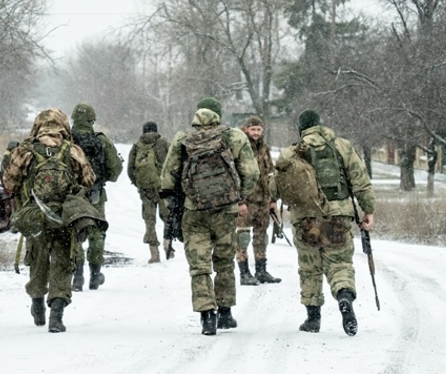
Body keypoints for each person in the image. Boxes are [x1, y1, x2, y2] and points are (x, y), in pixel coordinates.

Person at [270, 109, 375, 336]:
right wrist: (368, 210)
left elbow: (274, 187)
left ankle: (313, 319)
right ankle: (344, 295)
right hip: (339, 215)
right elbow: (360, 180)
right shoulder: (342, 146)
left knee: (309, 268)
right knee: (339, 263)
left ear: (301, 129)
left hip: (305, 218)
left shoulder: (292, 152)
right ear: (320, 124)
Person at [160, 97, 258, 336]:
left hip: (194, 211)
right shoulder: (234, 136)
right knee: (224, 261)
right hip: (226, 210)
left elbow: (167, 177)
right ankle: (225, 313)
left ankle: (207, 315)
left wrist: (172, 207)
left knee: (199, 265)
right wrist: (237, 196)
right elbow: (252, 173)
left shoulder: (183, 138)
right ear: (219, 114)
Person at [3, 108, 106, 333]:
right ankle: (56, 315)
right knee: (62, 263)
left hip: (34, 216)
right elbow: (89, 180)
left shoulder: (25, 150)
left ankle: (37, 302)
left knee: (38, 261)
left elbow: (10, 183)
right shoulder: (72, 150)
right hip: (64, 217)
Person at [70, 103, 123, 291]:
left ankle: (77, 276)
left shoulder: (65, 140)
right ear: (92, 119)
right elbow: (115, 170)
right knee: (97, 233)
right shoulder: (101, 140)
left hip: (72, 196)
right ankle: (95, 274)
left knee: (74, 234)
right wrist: (100, 178)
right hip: (95, 193)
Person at [234, 116, 281, 285]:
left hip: (263, 200)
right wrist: (240, 201)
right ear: (246, 129)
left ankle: (261, 271)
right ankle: (244, 272)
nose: (256, 133)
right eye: (252, 129)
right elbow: (236, 175)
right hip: (246, 201)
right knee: (243, 236)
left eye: (258, 130)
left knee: (261, 236)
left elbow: (270, 174)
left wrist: (273, 198)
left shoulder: (264, 148)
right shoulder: (239, 146)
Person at [127, 121, 171, 262]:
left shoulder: (137, 146)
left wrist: (139, 184)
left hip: (146, 190)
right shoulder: (164, 143)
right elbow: (173, 163)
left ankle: (154, 254)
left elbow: (130, 170)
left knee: (149, 221)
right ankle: (168, 246)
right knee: (168, 218)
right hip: (163, 188)